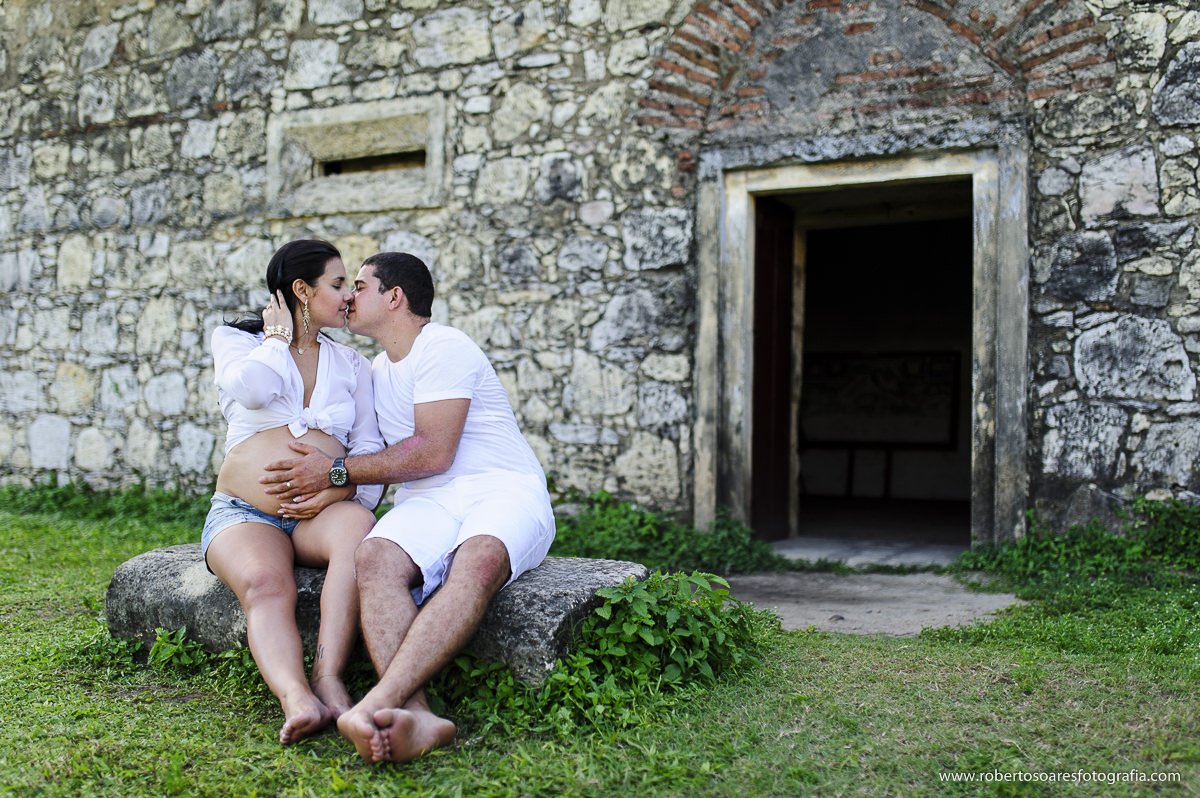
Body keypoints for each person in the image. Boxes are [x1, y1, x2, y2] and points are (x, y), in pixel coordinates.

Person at [260, 251, 555, 763]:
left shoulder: (443, 345)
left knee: (479, 557)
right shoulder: (373, 370)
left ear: (395, 297)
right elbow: (372, 456)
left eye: (360, 285)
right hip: (428, 499)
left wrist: (336, 471)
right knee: (374, 558)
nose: (348, 296)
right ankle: (415, 714)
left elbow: (432, 450)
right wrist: (323, 488)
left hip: (501, 488)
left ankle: (378, 701)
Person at [204, 238, 385, 745]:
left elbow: (369, 447)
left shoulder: (353, 365)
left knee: (358, 528)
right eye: (338, 283)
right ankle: (296, 698)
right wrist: (277, 338)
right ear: (301, 290)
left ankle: (329, 677)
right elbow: (256, 391)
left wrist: (336, 493)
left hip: (319, 516)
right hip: (247, 514)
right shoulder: (237, 341)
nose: (349, 294)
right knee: (266, 586)